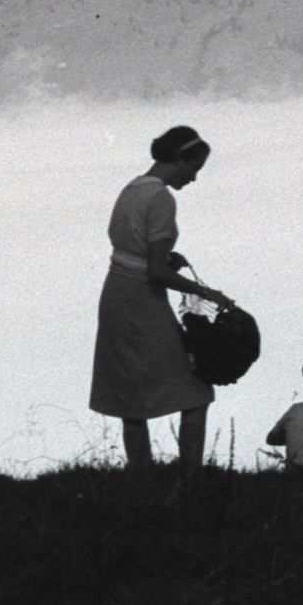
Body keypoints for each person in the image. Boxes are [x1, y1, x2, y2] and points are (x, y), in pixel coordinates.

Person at [90, 123, 238, 475]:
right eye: (194, 168)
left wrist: (165, 258)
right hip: (142, 299)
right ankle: (191, 474)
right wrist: (206, 292)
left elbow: (136, 249)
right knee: (195, 388)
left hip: (116, 293)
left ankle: (141, 475)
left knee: (130, 393)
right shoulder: (161, 198)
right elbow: (156, 272)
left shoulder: (132, 188)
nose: (194, 178)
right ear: (178, 159)